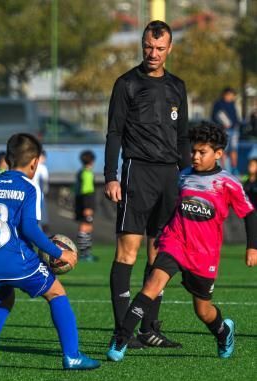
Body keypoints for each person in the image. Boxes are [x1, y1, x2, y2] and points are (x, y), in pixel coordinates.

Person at [107, 122, 257, 362]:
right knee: (151, 286)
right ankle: (121, 339)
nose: (195, 157)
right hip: (175, 243)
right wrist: (163, 231)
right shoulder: (182, 177)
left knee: (203, 311)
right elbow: (171, 208)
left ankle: (222, 331)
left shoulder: (228, 183)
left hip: (203, 254)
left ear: (218, 154)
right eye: (193, 151)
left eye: (202, 152)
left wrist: (252, 247)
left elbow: (250, 214)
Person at [0, 133, 100, 371]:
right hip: (16, 261)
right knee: (57, 293)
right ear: (34, 162)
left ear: (8, 159)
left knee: (2, 300)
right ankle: (72, 356)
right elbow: (31, 229)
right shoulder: (29, 189)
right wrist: (58, 253)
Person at [104, 20, 191, 349]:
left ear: (169, 49)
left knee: (162, 251)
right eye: (147, 47)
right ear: (142, 46)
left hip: (170, 175)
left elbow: (182, 137)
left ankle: (149, 328)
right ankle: (121, 329)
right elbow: (114, 132)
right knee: (128, 251)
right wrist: (111, 175)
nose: (152, 54)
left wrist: (188, 177)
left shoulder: (177, 86)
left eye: (159, 48)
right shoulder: (126, 83)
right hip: (136, 172)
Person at [211, 87, 240, 175]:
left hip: (234, 130)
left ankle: (234, 169)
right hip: (223, 131)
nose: (231, 97)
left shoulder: (233, 104)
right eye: (230, 95)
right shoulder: (218, 104)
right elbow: (214, 116)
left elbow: (236, 118)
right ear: (225, 95)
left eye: (232, 95)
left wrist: (236, 125)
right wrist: (221, 124)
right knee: (223, 150)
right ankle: (224, 170)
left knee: (234, 150)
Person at [75, 149, 97, 261]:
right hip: (86, 204)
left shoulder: (81, 171)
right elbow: (86, 191)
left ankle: (86, 252)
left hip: (82, 203)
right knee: (85, 227)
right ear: (92, 161)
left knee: (88, 227)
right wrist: (87, 207)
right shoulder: (87, 173)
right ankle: (84, 254)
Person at [33, 149, 50, 234]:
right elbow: (45, 182)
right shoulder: (42, 168)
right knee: (41, 218)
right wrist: (45, 191)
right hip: (39, 196)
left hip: (31, 195)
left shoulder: (30, 166)